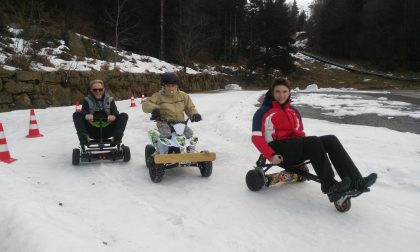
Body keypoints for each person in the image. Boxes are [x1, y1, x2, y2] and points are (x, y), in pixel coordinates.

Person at [251, 77, 377, 200]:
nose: (281, 95)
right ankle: (330, 186)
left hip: (293, 148)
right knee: (313, 141)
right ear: (272, 92)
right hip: (278, 149)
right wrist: (271, 155)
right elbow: (256, 138)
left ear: (289, 93)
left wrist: (307, 148)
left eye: (284, 92)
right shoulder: (263, 112)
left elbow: (300, 134)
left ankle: (356, 181)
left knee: (331, 140)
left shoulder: (293, 111)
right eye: (277, 92)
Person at [142, 72, 202, 139]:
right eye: (168, 85)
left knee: (189, 134)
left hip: (180, 123)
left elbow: (190, 108)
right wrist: (154, 109)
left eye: (173, 85)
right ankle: (161, 149)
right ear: (164, 86)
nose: (171, 88)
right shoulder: (158, 96)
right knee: (166, 134)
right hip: (164, 123)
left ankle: (189, 149)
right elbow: (146, 105)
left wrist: (194, 114)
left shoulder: (184, 96)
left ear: (177, 85)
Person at [73, 79, 128, 146]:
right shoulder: (87, 100)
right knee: (76, 114)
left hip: (107, 129)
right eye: (95, 90)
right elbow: (83, 111)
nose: (98, 91)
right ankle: (84, 138)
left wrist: (114, 116)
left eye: (100, 89)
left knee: (124, 115)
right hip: (92, 129)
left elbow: (116, 112)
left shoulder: (110, 100)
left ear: (103, 89)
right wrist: (86, 115)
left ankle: (116, 138)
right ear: (91, 91)